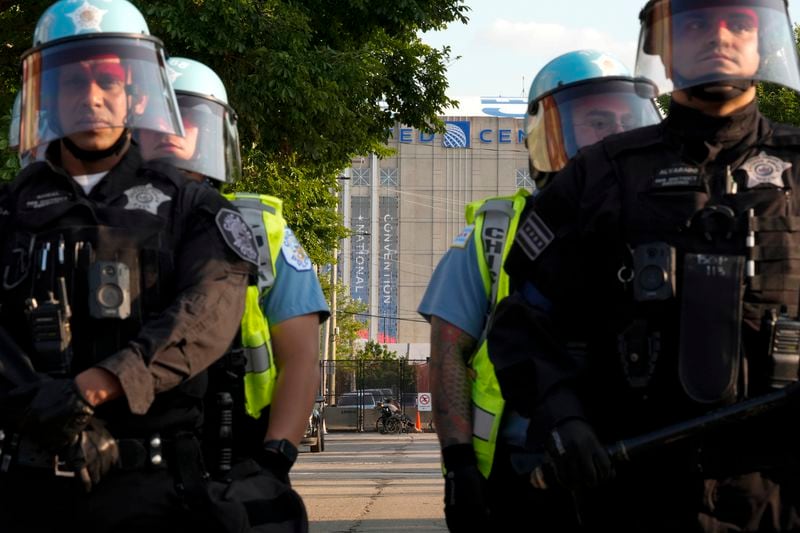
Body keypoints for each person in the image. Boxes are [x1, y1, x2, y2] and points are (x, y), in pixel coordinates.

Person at [488, 1, 800, 531]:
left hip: (783, 491)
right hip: (635, 487)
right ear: (660, 45)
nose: (719, 36)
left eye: (738, 23)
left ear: (763, 39)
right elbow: (525, 319)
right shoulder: (597, 177)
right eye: (696, 23)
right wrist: (563, 417)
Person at [0, 1, 254, 532]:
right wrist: (39, 405)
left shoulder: (190, 207)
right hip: (25, 486)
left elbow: (206, 315)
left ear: (135, 94)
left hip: (155, 491)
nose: (90, 97)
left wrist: (99, 383)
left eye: (107, 82)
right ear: (47, 96)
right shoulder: (10, 208)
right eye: (72, 83)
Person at [417, 49, 662, 532]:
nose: (614, 132)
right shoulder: (495, 234)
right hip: (527, 476)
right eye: (595, 120)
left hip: (648, 463)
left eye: (625, 118)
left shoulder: (670, 220)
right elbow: (448, 354)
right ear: (548, 133)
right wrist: (459, 466)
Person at [139, 56, 330, 531]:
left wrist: (276, 459)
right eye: (160, 122)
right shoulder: (102, 224)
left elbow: (301, 357)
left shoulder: (261, 231)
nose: (173, 139)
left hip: (234, 457)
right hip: (126, 462)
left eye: (189, 123)